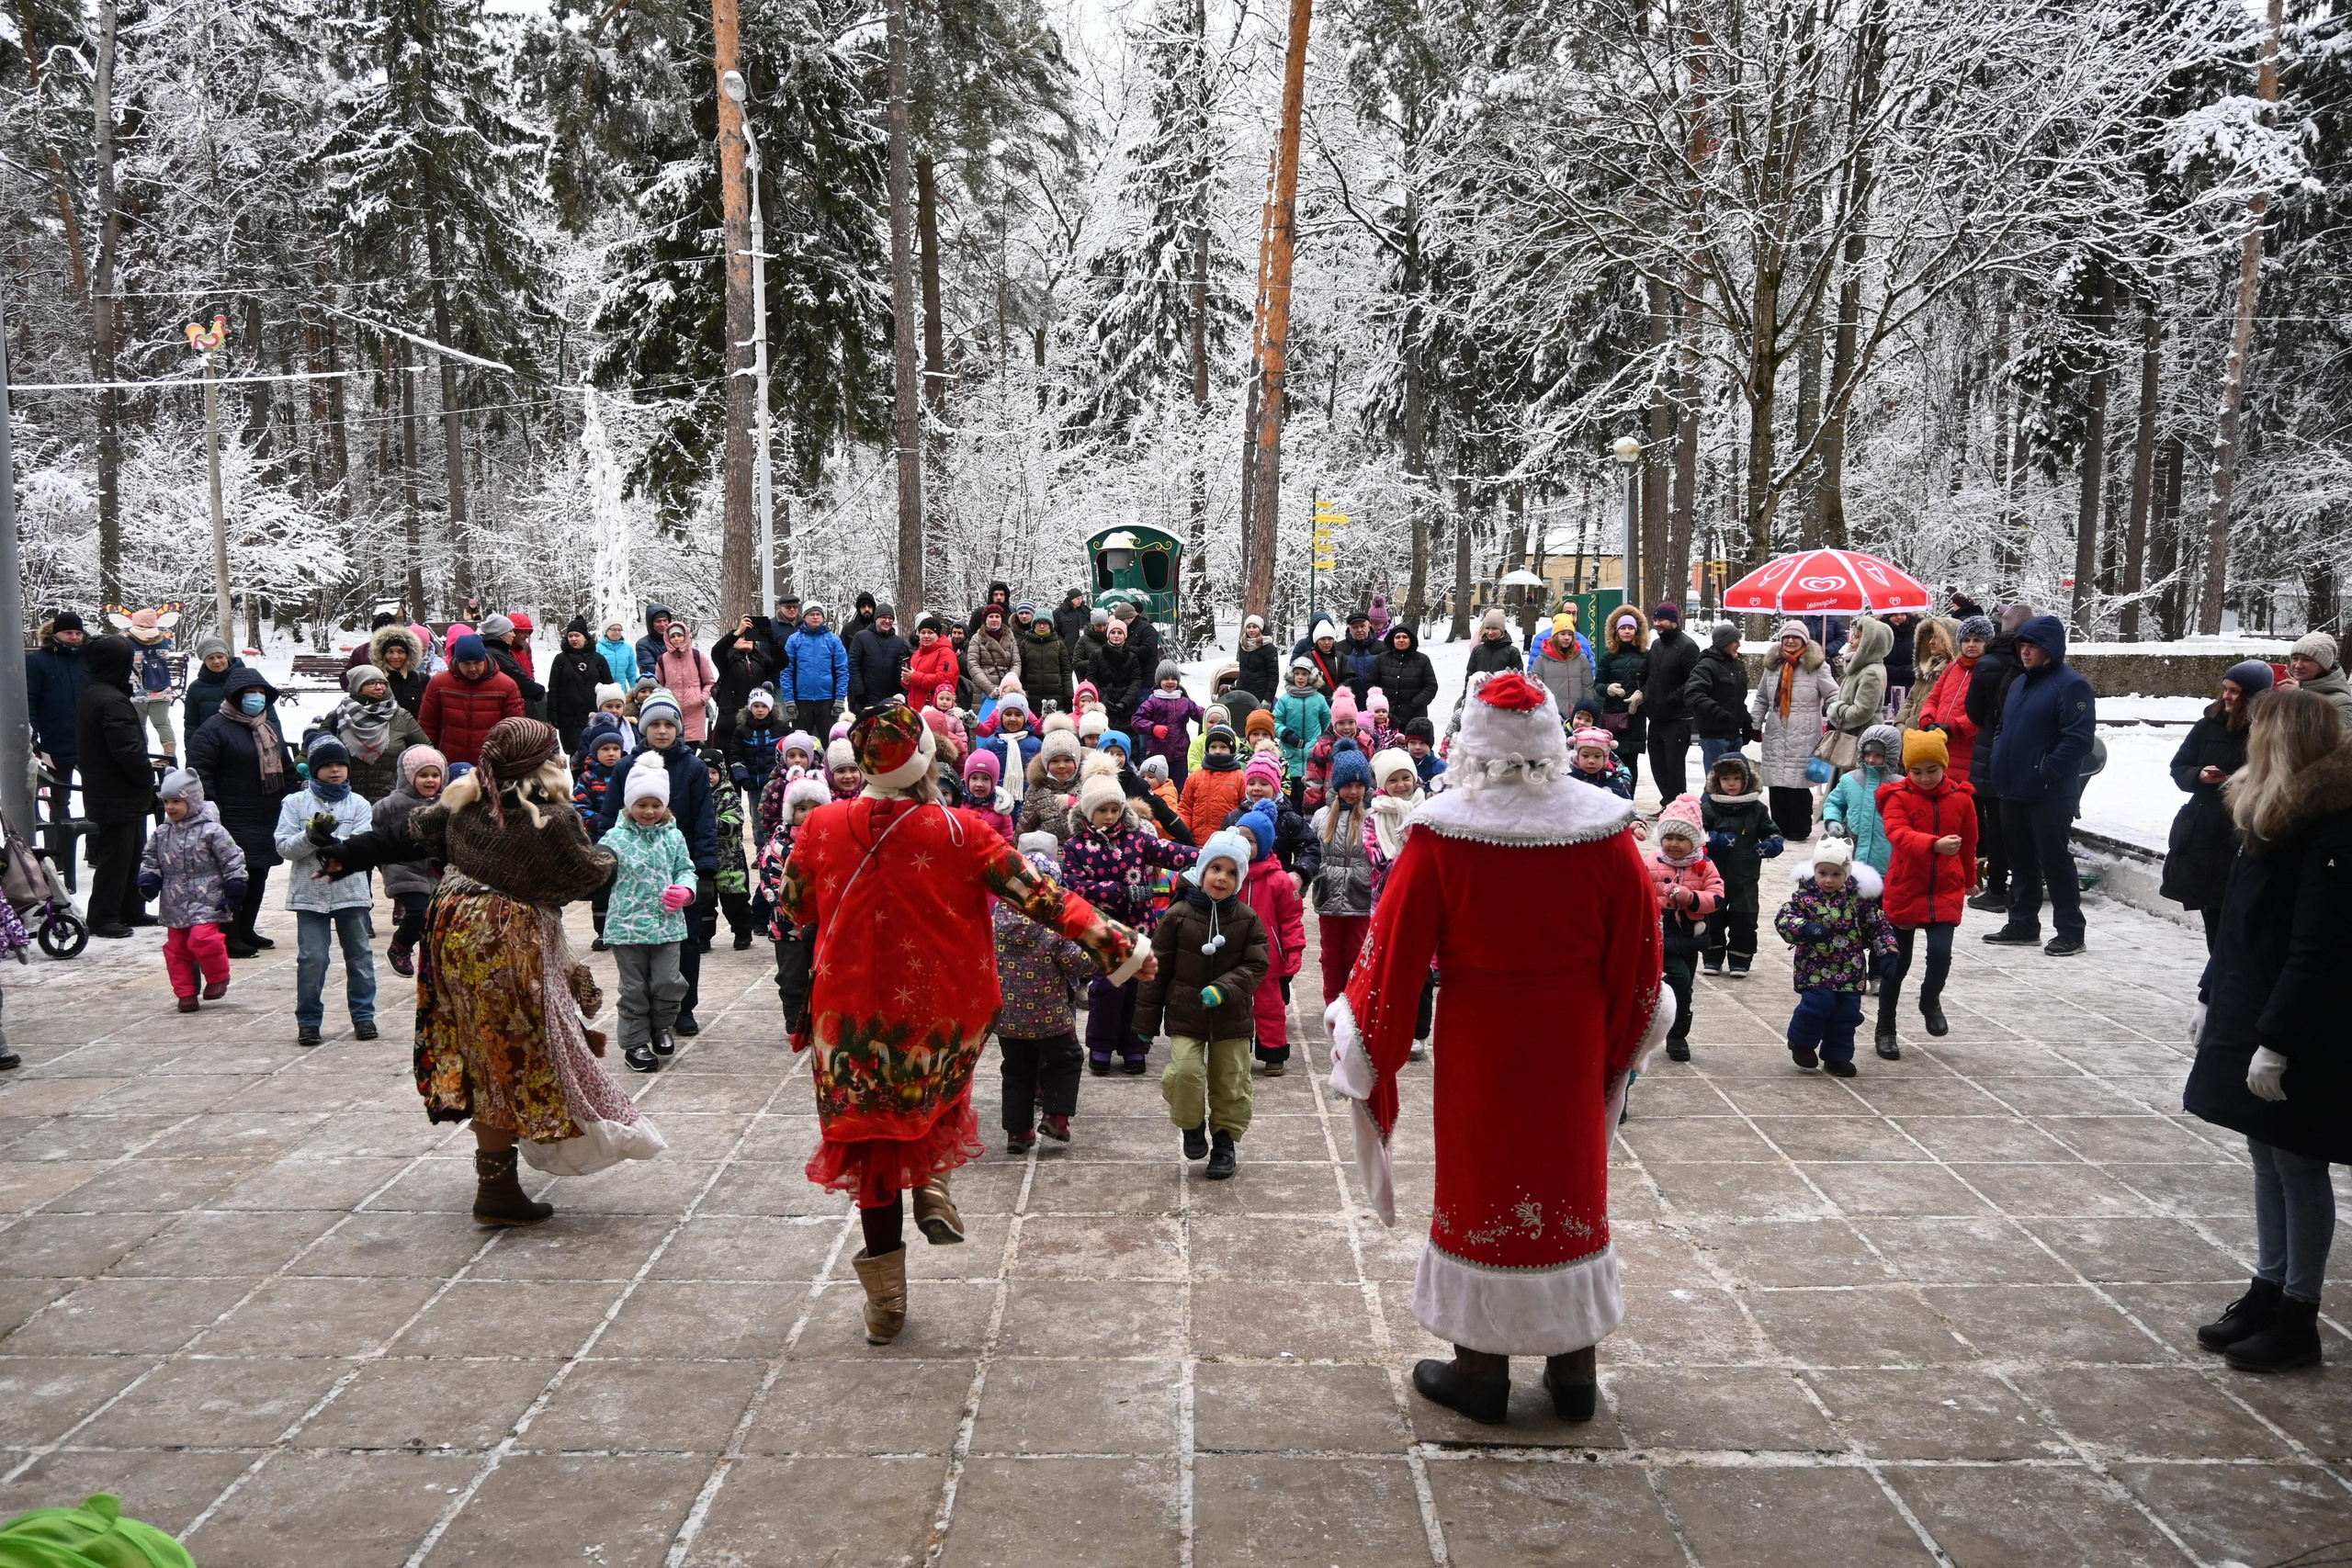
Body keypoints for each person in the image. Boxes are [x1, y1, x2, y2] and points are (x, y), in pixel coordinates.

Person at [1331, 670, 1667, 1426]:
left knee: (1483, 1178)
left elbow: (1392, 955)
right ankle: (1574, 1369)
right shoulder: (1607, 834)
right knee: (1570, 1176)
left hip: (1482, 1039)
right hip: (1571, 1039)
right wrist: (1615, 1056)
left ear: (1470, 743)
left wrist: (1367, 1037)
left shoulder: (1443, 833)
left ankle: (1481, 1369)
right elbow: (1642, 966)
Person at [776, 700, 1148, 1344]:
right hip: (937, 1010)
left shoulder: (820, 825)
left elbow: (796, 908)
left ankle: (886, 1303)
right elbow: (1045, 897)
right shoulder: (964, 832)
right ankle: (935, 1184)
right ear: (926, 764)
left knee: (872, 1149)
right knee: (930, 1094)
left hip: (848, 1018)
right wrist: (1121, 946)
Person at [322, 717, 662, 1225]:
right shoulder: (549, 817)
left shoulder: (466, 797)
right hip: (506, 940)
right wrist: (611, 855)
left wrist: (346, 855)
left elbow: (405, 834)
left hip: (452, 933)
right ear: (538, 764)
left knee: (483, 1054)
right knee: (513, 1057)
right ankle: (498, 1191)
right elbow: (586, 874)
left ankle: (497, 1187)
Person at [2184, 687, 2348, 1372]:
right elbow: (2238, 918)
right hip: (2249, 1004)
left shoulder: (2331, 825)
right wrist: (2210, 991)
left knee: (2297, 1160)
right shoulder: (2269, 809)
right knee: (2263, 1150)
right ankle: (2267, 1283)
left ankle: (2297, 1313)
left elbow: (2318, 946)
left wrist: (2277, 1040)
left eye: (2260, 733)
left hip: (2300, 1020)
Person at [1141, 826, 1270, 1179]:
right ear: (1202, 871)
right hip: (1186, 1012)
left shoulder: (1247, 919)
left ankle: (1225, 1140)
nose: (1222, 878)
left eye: (1232, 872)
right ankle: (1191, 1124)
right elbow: (1156, 969)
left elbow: (1257, 963)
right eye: (1216, 869)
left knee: (1231, 1079)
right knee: (1185, 1071)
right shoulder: (1177, 915)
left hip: (1232, 1017)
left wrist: (1226, 988)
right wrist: (1144, 1025)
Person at [592, 692, 720, 1034]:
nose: (662, 731)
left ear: (678, 728)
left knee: (685, 943)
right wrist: (606, 867)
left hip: (678, 869)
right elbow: (608, 822)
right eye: (654, 724)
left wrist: (704, 870)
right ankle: (644, 1015)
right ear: (644, 728)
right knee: (640, 952)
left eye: (668, 724)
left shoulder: (692, 767)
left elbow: (705, 820)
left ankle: (682, 1008)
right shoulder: (625, 767)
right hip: (633, 874)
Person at [1061, 758, 1197, 1075]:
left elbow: (1169, 852)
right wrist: (1123, 892)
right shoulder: (1075, 847)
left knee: (1139, 990)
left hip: (1139, 931)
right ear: (1088, 812)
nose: (1110, 816)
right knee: (1107, 990)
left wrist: (1207, 854)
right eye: (1102, 810)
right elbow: (1076, 886)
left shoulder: (1136, 839)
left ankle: (1135, 1047)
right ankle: (1101, 1046)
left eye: (1115, 809)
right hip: (1102, 932)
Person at [1982, 615, 2095, 956]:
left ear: (2051, 649)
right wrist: (1999, 759)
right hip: (2012, 787)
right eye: (2023, 645)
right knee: (2021, 859)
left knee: (2054, 860)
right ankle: (2024, 922)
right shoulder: (2019, 683)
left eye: (2033, 646)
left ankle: (2071, 930)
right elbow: (2002, 726)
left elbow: (2078, 740)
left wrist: (2045, 770)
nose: (2026, 652)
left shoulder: (2071, 685)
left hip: (2050, 793)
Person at [994, 832, 1101, 1152]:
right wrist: (1094, 950)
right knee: (1067, 1059)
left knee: (1016, 1070)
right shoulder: (1052, 926)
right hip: (1050, 1016)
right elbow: (1081, 964)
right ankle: (1056, 1117)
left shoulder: (996, 918)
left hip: (1008, 1019)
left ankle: (1018, 1133)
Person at [1875, 728, 1977, 1056]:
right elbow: (1899, 834)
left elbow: (1969, 844)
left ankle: (1930, 999)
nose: (1924, 778)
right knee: (1896, 964)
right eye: (1916, 771)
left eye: (1932, 770)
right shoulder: (1897, 797)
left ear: (1944, 766)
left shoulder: (1961, 799)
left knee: (1940, 953)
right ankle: (1885, 1028)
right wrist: (1934, 844)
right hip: (1906, 887)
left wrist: (1970, 879)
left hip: (1945, 890)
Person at [2162, 660, 2273, 953]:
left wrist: (2235, 783)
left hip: (2240, 833)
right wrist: (2198, 775)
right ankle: (2217, 981)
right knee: (2212, 914)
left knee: (2233, 918)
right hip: (2201, 833)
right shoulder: (2207, 725)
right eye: (2225, 689)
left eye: (2235, 691)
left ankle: (2221, 983)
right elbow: (2179, 766)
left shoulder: (2266, 733)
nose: (2226, 696)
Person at [275, 735, 379, 1046]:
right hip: (310, 894)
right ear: (315, 770)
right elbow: (283, 847)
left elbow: (364, 845)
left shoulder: (359, 804)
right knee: (312, 958)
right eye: (328, 765)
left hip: (351, 892)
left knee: (360, 955)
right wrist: (310, 837)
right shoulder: (294, 803)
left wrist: (335, 844)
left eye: (340, 765)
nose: (335, 771)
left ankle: (364, 1016)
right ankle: (308, 1020)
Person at [187, 665, 295, 956]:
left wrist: (291, 798)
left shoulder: (266, 728)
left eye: (261, 693)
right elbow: (200, 772)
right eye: (250, 693)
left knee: (258, 873)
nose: (257, 698)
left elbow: (285, 769)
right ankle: (228, 933)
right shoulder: (214, 729)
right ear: (235, 697)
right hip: (231, 816)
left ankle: (246, 928)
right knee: (234, 876)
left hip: (265, 814)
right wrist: (211, 810)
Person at [604, 753, 699, 1073]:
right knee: (634, 988)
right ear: (629, 804)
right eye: (641, 804)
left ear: (665, 806)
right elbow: (596, 870)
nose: (648, 811)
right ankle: (635, 1042)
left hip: (666, 926)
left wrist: (686, 891)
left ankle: (661, 1026)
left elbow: (686, 869)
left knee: (668, 982)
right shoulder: (614, 839)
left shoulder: (673, 837)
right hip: (626, 927)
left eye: (655, 805)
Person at [1775, 836, 1897, 1078]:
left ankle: (1837, 1055)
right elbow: (1784, 919)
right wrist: (1806, 928)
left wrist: (1888, 953)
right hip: (1815, 966)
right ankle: (1802, 1042)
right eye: (1822, 872)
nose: (1828, 879)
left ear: (1847, 873)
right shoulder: (1804, 897)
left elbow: (1878, 926)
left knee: (1847, 1013)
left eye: (1836, 874)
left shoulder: (1859, 899)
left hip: (1851, 968)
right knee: (1817, 1005)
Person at [139, 771, 245, 1011]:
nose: (170, 807)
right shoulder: (162, 833)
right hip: (174, 900)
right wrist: (149, 880)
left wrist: (235, 884)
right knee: (176, 949)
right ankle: (185, 992)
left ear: (194, 800)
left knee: (203, 939)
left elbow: (232, 859)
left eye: (177, 801)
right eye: (166, 802)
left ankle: (218, 976)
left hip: (208, 897)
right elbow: (151, 859)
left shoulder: (212, 831)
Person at [74, 636, 158, 937]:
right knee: (117, 855)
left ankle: (129, 908)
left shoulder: (97, 692)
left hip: (111, 789)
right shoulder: (110, 699)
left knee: (132, 851)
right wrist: (146, 776)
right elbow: (127, 750)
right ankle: (103, 916)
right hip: (116, 790)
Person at [1964, 604, 2031, 910]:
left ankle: (1996, 888)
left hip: (1991, 746)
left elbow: (1973, 711)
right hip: (2026, 751)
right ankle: (2022, 887)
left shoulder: (1988, 662)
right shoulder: (2033, 661)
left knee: (1994, 820)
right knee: (2019, 822)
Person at [1648, 794, 1722, 1064]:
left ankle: (1678, 1035)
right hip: (1660, 935)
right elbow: (1636, 892)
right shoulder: (1652, 862)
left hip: (1691, 936)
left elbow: (1718, 897)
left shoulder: (1704, 866)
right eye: (1669, 837)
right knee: (1677, 977)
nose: (1674, 844)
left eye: (1681, 838)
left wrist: (1692, 898)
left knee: (1685, 986)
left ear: (1695, 840)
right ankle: (1656, 1024)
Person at [1749, 620, 1838, 840]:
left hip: (1804, 732)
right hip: (1776, 730)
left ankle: (1799, 828)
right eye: (1786, 637)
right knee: (1777, 782)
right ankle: (1778, 827)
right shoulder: (1772, 666)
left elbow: (1834, 695)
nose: (1790, 641)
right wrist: (1755, 723)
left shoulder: (1816, 666)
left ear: (1804, 641)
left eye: (1795, 637)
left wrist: (1837, 717)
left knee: (1798, 783)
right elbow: (1761, 698)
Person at [1235, 803, 1306, 1076]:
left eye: (1250, 841)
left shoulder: (1279, 880)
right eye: (1240, 838)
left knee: (1270, 1007)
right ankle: (1235, 1052)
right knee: (1236, 1005)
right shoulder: (1231, 873)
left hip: (1268, 956)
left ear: (1264, 844)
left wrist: (1294, 949)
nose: (1244, 845)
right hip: (1234, 954)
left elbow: (1291, 919)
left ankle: (1273, 1053)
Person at [1701, 753, 1780, 976]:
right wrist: (1714, 839)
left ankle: (1740, 959)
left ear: (1746, 780)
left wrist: (1772, 843)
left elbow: (1771, 831)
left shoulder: (1756, 809)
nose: (1731, 784)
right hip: (1713, 876)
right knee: (1712, 917)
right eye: (1726, 779)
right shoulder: (1708, 807)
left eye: (1736, 778)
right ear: (1717, 781)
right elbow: (1697, 836)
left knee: (1744, 918)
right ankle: (1712, 956)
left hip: (1745, 876)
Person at [1310, 748, 1375, 1005]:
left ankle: (1355, 1002)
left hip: (1360, 896)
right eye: (1348, 785)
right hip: (1329, 896)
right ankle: (1332, 1002)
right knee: (1331, 954)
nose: (1353, 791)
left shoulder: (1372, 817)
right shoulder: (1321, 816)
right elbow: (1313, 853)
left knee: (1358, 953)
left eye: (1359, 785)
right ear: (1337, 786)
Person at [377, 745, 446, 977]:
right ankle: (400, 946)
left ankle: (434, 961)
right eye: (423, 775)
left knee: (439, 918)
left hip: (437, 873)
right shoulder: (393, 804)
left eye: (435, 775)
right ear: (408, 777)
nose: (430, 780)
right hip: (404, 870)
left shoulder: (446, 804)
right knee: (418, 912)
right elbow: (375, 829)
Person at [420, 633, 525, 768]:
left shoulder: (506, 686)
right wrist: (430, 757)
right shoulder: (439, 684)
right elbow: (427, 725)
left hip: (491, 764)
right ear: (457, 660)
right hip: (450, 763)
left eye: (477, 662)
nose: (472, 669)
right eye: (466, 664)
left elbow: (515, 729)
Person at [27, 612, 90, 827]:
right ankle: (61, 850)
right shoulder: (37, 662)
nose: (74, 637)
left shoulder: (89, 658)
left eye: (78, 633)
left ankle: (95, 850)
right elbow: (30, 699)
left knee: (96, 794)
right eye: (68, 632)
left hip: (89, 738)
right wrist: (32, 735)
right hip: (55, 740)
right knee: (60, 796)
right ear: (55, 634)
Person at [334, 665, 431, 802]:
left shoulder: (400, 716)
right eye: (371, 683)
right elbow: (320, 747)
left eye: (382, 683)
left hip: (391, 801)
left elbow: (426, 751)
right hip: (348, 801)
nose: (379, 687)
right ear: (357, 686)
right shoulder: (340, 715)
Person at [1822, 724, 1902, 877]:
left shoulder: (1900, 785)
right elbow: (1834, 803)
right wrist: (1833, 821)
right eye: (1867, 754)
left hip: (1886, 861)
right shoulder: (1849, 780)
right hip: (1852, 855)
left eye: (1878, 755)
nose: (1871, 760)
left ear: (1890, 755)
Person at [1641, 604, 1700, 804]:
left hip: (1677, 718)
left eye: (1662, 620)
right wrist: (1646, 694)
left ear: (1674, 621)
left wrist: (1670, 700)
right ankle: (1669, 802)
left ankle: (1679, 806)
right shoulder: (1656, 646)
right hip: (1656, 717)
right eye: (1655, 619)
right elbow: (1650, 676)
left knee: (1674, 767)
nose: (1657, 623)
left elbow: (1693, 681)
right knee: (1657, 764)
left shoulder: (1688, 647)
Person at [1683, 623, 1749, 775]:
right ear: (1723, 643)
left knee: (1734, 783)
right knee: (1717, 783)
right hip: (1714, 736)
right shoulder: (1706, 665)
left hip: (1734, 734)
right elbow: (1693, 694)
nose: (1738, 644)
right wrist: (1716, 712)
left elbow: (1738, 698)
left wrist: (1746, 721)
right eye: (1735, 641)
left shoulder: (1737, 665)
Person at [1825, 615, 1893, 762]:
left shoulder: (1870, 672)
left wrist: (1836, 710)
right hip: (1854, 734)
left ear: (1869, 643)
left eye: (1856, 637)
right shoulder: (1859, 668)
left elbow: (1863, 710)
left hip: (1861, 738)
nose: (1851, 641)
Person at [1595, 608, 1649, 788]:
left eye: (1630, 628)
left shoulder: (1645, 656)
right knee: (1613, 761)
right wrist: (1608, 689)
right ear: (1616, 631)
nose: (1627, 631)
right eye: (1623, 628)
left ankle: (1630, 800)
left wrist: (1642, 693)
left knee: (1631, 763)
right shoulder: (1608, 656)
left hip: (1635, 717)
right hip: (1613, 717)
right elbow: (1598, 685)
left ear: (1637, 631)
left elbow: (1652, 682)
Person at [784, 603, 850, 735]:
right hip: (801, 700)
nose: (815, 617)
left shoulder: (833, 640)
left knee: (830, 742)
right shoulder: (794, 640)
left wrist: (839, 699)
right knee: (800, 743)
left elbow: (843, 670)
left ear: (823, 617)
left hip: (828, 700)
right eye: (811, 614)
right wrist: (789, 700)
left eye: (818, 614)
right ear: (804, 617)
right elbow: (786, 671)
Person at [123, 608, 180, 761]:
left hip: (136, 692)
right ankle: (169, 755)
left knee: (139, 725)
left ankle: (142, 755)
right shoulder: (164, 640)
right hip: (161, 690)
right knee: (162, 723)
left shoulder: (127, 642)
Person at [1134, 662, 1202, 788]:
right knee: (1158, 788)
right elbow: (1137, 720)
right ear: (1159, 681)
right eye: (1166, 678)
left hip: (1180, 755)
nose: (1170, 682)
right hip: (1157, 754)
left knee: (1179, 788)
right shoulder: (1152, 701)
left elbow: (1201, 714)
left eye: (1173, 678)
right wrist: (1153, 728)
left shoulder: (1184, 701)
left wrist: (1216, 717)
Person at [1182, 723, 1249, 846]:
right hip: (1197, 844)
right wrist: (1183, 834)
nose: (1217, 751)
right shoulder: (1194, 778)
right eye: (1213, 747)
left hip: (1228, 844)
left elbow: (1245, 810)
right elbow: (1185, 809)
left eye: (1223, 747)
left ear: (1231, 750)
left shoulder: (1240, 777)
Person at [548, 617, 608, 753]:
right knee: (575, 754)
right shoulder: (560, 659)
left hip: (594, 715)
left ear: (585, 638)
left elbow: (608, 687)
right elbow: (553, 688)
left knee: (596, 751)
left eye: (577, 635)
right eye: (570, 636)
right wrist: (553, 714)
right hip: (568, 717)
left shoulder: (598, 659)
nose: (573, 639)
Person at [1532, 611, 1598, 728]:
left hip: (1577, 719)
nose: (1567, 638)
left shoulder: (1581, 659)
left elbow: (1587, 687)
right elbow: (1535, 690)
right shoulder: (1541, 661)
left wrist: (1586, 713)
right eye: (1562, 634)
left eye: (1570, 634)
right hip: (1551, 718)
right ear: (1555, 636)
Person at [478, 614, 547, 722]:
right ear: (500, 634)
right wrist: (537, 690)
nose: (513, 635)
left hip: (523, 700)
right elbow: (516, 676)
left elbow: (528, 670)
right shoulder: (497, 653)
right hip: (514, 706)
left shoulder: (507, 650)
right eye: (510, 631)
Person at [2277, 631, 2352, 726]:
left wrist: (2301, 698)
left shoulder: (2341, 700)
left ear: (2324, 666)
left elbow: (2335, 736)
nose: (2298, 665)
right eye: (2295, 658)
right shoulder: (2285, 688)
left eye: (2307, 660)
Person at [1372, 626, 1438, 733]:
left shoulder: (1422, 660)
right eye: (1397, 637)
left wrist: (1415, 703)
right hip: (1386, 716)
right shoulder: (1382, 659)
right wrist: (1381, 704)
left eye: (1405, 637)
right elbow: (1372, 683)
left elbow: (1431, 686)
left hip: (1414, 715)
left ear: (1411, 640)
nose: (1401, 640)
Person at [847, 603, 911, 712]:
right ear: (876, 618)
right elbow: (853, 665)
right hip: (866, 700)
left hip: (891, 700)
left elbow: (900, 670)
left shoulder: (899, 642)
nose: (887, 621)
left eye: (890, 618)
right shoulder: (861, 637)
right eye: (883, 617)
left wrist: (902, 693)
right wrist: (859, 692)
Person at [1014, 602, 1074, 714]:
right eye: (1038, 623)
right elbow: (1021, 673)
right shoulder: (1025, 644)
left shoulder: (1059, 644)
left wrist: (1069, 696)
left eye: (1045, 623)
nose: (1042, 626)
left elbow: (1066, 672)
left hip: (1056, 699)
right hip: (1031, 699)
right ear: (1034, 625)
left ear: (1051, 626)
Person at [371, 623, 430, 716]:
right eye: (390, 651)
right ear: (382, 654)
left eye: (401, 652)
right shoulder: (374, 680)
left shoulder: (422, 680)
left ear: (409, 654)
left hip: (414, 730)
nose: (395, 656)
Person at [904, 615, 961, 707]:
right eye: (923, 632)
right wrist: (906, 681)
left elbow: (943, 680)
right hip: (915, 708)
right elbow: (912, 683)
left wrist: (914, 676)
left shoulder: (946, 653)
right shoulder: (916, 654)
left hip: (936, 708)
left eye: (930, 632)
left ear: (937, 635)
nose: (926, 636)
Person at [1566, 728, 1634, 799]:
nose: (1591, 761)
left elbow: (1627, 807)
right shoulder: (1568, 781)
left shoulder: (1615, 783)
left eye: (1597, 756)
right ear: (1577, 756)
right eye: (1585, 756)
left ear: (1605, 758)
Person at [1336, 612, 1383, 705]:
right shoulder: (1339, 648)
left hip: (1376, 704)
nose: (1359, 630)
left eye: (1362, 626)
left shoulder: (1382, 648)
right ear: (1350, 629)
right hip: (1348, 703)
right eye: (1355, 627)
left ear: (1369, 627)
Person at [1236, 615, 1282, 703]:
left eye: (1254, 627)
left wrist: (1268, 699)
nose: (1251, 630)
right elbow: (1243, 670)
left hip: (1260, 694)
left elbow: (1273, 675)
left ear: (1260, 629)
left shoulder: (1268, 648)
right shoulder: (1243, 645)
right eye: (1249, 627)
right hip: (1243, 692)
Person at [1464, 608, 1521, 678]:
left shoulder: (1512, 652)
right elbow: (1470, 677)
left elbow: (1518, 681)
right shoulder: (1477, 651)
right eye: (1487, 628)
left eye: (1494, 628)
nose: (1490, 632)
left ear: (1502, 630)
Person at [633, 603, 675, 681]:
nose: (662, 624)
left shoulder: (676, 640)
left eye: (665, 620)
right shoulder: (643, 644)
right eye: (658, 621)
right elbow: (650, 671)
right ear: (651, 624)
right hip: (656, 688)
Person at [595, 619, 639, 689]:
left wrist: (636, 691)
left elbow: (632, 674)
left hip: (621, 691)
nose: (617, 632)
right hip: (603, 691)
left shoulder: (628, 649)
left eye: (620, 630)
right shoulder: (598, 648)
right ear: (606, 631)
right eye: (614, 629)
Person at [1053, 587, 1092, 652]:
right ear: (1071, 599)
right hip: (1068, 649)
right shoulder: (1059, 613)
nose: (1080, 601)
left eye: (1081, 598)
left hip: (1085, 648)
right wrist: (1063, 642)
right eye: (1077, 599)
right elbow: (1055, 630)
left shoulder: (1086, 611)